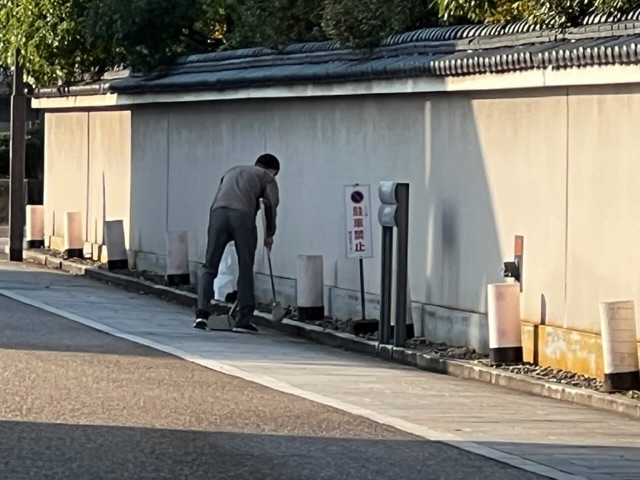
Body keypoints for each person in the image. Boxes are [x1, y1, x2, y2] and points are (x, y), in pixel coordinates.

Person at [194, 153, 280, 333]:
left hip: (217, 214)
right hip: (242, 216)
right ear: (273, 171)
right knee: (245, 266)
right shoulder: (267, 178)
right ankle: (243, 319)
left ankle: (202, 315)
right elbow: (271, 205)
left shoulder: (232, 171)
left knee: (210, 266)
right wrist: (269, 234)